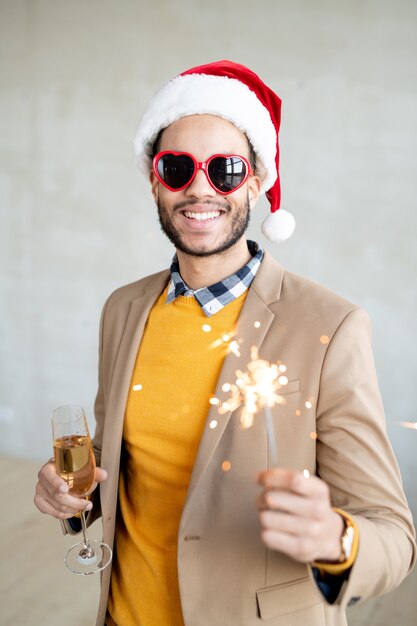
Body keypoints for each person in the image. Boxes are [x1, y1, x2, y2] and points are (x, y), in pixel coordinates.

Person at [35, 60, 416, 626]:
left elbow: (392, 535)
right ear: (154, 179)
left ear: (257, 183)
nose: (198, 188)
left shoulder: (332, 327)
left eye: (226, 169)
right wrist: (71, 495)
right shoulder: (123, 309)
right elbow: (117, 457)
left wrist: (337, 537)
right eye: (177, 167)